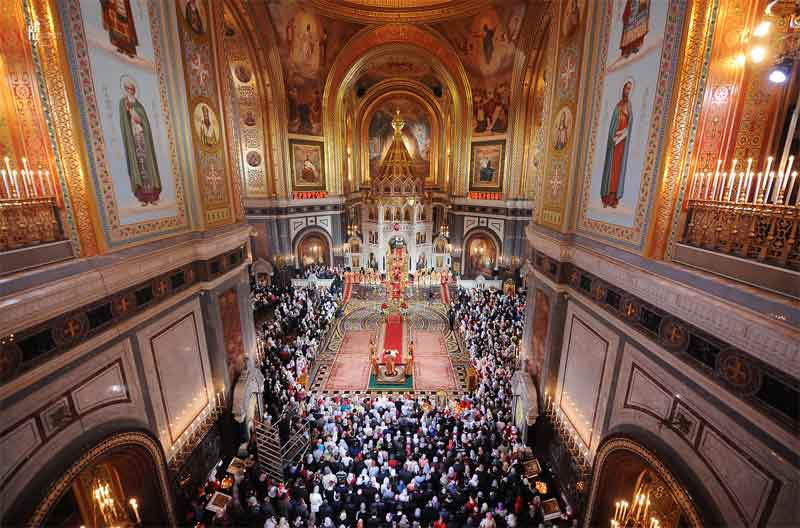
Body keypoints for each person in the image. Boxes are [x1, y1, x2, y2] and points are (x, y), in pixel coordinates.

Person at [600, 81, 633, 208]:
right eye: (626, 88)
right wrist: (612, 137)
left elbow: (630, 123)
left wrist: (625, 132)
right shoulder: (618, 106)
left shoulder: (629, 106)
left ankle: (614, 199)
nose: (627, 91)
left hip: (622, 145)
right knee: (610, 169)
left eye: (629, 89)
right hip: (614, 143)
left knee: (617, 171)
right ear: (623, 90)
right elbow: (612, 124)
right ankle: (606, 197)